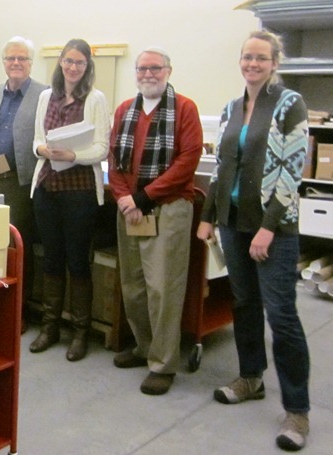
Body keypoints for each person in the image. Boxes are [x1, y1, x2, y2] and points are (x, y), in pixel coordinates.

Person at [197, 30, 310, 451]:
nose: (253, 64)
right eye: (247, 57)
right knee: (243, 303)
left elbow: (291, 171)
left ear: (274, 62)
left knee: (282, 315)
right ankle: (250, 378)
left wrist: (268, 226)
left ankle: (297, 410)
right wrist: (209, 217)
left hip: (273, 228)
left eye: (261, 58)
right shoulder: (230, 108)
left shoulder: (288, 104)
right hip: (232, 221)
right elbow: (223, 165)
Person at [108, 47, 202, 394]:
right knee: (133, 285)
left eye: (155, 68)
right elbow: (114, 157)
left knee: (163, 288)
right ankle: (145, 347)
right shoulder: (124, 110)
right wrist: (122, 198)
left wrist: (142, 198)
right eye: (142, 68)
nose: (148, 74)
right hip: (129, 208)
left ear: (168, 70)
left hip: (169, 207)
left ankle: (163, 364)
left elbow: (187, 161)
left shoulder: (184, 109)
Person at [28, 38, 110, 362]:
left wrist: (72, 154)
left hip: (79, 192)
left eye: (79, 62)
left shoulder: (95, 99)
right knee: (50, 257)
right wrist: (43, 151)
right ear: (60, 62)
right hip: (47, 188)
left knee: (77, 260)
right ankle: (50, 327)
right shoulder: (46, 96)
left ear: (87, 66)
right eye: (68, 61)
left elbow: (102, 147)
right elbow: (36, 139)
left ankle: (80, 332)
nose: (72, 67)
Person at [0, 36, 48, 332]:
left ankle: (18, 312)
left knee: (16, 248)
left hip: (19, 185)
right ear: (3, 62)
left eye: (22, 59)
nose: (16, 64)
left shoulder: (43, 95)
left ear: (30, 63)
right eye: (10, 59)